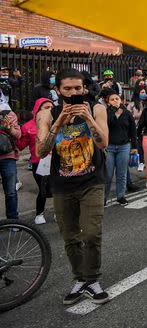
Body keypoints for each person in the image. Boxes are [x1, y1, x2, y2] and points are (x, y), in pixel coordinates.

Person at [36, 68, 110, 305]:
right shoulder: (47, 114)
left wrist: (87, 118)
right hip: (62, 186)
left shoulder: (97, 108)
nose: (73, 93)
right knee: (70, 237)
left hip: (92, 182)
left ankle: (93, 278)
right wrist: (59, 121)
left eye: (78, 88)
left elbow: (103, 143)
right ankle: (80, 279)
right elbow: (41, 150)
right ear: (57, 90)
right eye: (67, 89)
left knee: (91, 233)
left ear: (84, 88)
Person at [16, 98, 53, 223]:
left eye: (51, 108)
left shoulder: (57, 122)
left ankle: (59, 212)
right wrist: (12, 132)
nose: (49, 110)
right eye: (46, 107)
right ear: (37, 110)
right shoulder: (28, 127)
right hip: (38, 163)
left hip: (57, 161)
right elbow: (20, 145)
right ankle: (39, 214)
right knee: (43, 188)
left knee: (58, 188)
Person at [103, 91, 137, 206]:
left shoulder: (127, 113)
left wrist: (135, 147)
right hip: (110, 147)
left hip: (124, 146)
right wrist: (113, 111)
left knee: (122, 173)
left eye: (117, 99)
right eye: (112, 99)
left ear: (121, 100)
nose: (115, 101)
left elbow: (133, 131)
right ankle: (103, 198)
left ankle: (121, 196)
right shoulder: (106, 113)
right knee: (108, 174)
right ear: (108, 102)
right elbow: (107, 124)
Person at [0, 105, 21, 220]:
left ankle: (13, 220)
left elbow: (18, 135)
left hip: (7, 157)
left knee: (11, 192)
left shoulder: (8, 113)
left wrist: (8, 128)